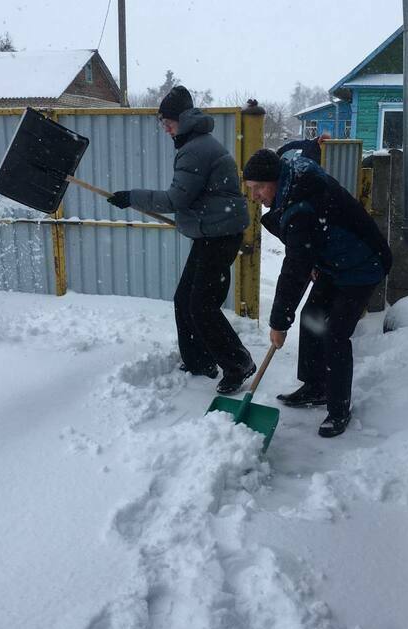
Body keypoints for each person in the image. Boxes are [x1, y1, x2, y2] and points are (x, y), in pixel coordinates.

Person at [107, 85, 256, 394]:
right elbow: (197, 197)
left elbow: (176, 199)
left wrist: (132, 196)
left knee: (201, 304)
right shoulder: (197, 144)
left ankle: (238, 363)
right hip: (212, 233)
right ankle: (199, 360)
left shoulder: (196, 149)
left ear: (182, 119)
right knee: (185, 299)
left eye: (167, 122)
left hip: (219, 236)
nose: (165, 128)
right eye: (162, 122)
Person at [242, 148, 392, 438]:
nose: (255, 196)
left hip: (363, 263)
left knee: (335, 333)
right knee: (312, 315)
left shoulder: (300, 206)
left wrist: (278, 323)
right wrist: (313, 258)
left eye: (259, 187)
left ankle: (339, 409)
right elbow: (308, 246)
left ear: (275, 180)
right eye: (251, 188)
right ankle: (316, 386)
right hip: (334, 261)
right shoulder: (293, 184)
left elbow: (294, 271)